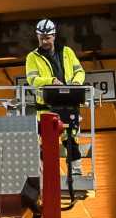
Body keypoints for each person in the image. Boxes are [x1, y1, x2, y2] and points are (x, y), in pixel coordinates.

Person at [22, 19, 89, 172]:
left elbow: (80, 71)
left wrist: (76, 83)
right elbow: (32, 80)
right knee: (47, 143)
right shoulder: (33, 57)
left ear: (54, 36)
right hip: (47, 107)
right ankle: (47, 174)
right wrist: (50, 81)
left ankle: (75, 170)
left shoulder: (67, 52)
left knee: (71, 139)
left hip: (69, 104)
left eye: (47, 38)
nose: (44, 41)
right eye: (41, 38)